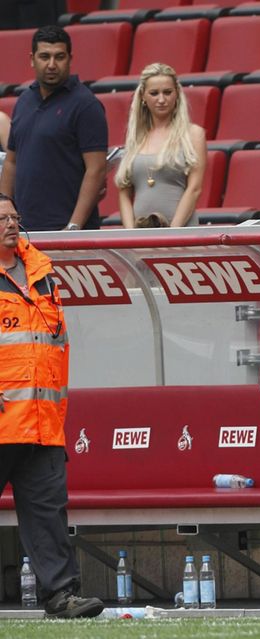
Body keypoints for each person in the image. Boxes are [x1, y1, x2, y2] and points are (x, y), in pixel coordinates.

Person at [0, 194, 104, 619]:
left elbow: (55, 346)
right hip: (4, 421)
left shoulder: (43, 274)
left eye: (14, 217)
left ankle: (60, 596)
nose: (11, 224)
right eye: (1, 218)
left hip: (42, 424)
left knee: (48, 515)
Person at [0, 25, 107, 231]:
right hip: (24, 230)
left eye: (59, 57)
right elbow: (12, 162)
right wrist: (4, 215)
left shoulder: (86, 105)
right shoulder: (24, 101)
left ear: (70, 59)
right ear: (32, 59)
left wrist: (73, 227)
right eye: (44, 57)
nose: (51, 65)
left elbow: (96, 170)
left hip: (67, 231)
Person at [115, 63, 207, 228]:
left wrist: (172, 232)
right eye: (154, 93)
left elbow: (194, 189)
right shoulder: (135, 138)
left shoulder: (193, 134)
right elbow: (124, 192)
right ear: (143, 96)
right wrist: (130, 233)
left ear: (177, 94)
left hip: (181, 231)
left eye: (167, 92)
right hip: (140, 232)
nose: (162, 100)